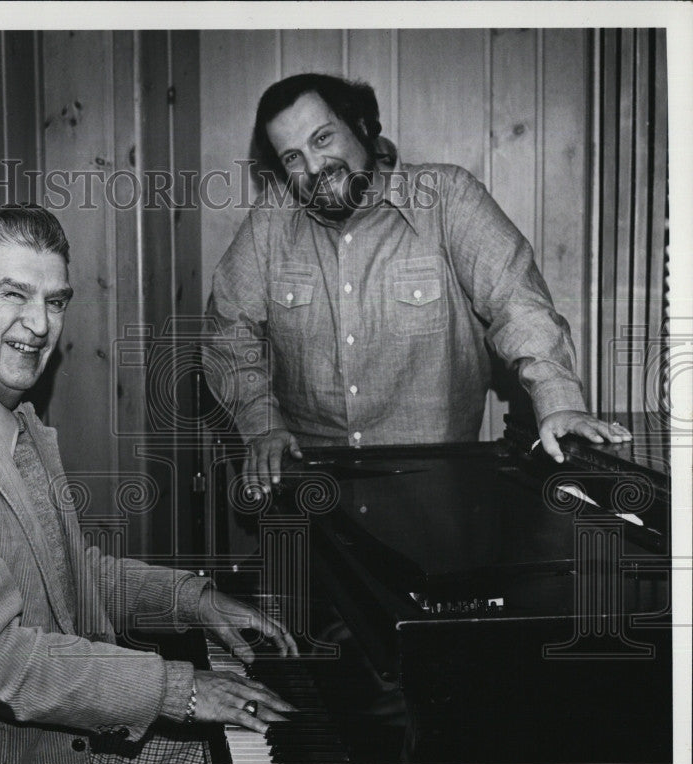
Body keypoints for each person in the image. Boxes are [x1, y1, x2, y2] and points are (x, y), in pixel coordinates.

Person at [0, 206, 297, 764]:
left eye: (56, 300)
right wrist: (180, 688)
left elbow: (67, 578)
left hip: (32, 737)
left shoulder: (13, 419)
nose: (41, 324)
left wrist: (192, 601)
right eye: (13, 295)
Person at [206, 73, 631, 494]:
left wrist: (559, 404)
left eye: (322, 139)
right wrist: (262, 425)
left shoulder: (448, 197)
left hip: (437, 489)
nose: (314, 167)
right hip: (314, 487)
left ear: (362, 127)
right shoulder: (270, 221)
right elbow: (228, 332)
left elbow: (518, 303)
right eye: (292, 157)